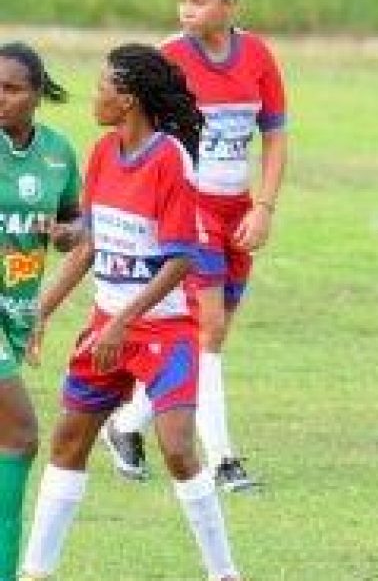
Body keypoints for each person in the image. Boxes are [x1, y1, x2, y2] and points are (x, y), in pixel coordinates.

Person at [19, 44, 241, 581]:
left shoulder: (170, 160)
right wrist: (43, 307)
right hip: (107, 326)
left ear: (129, 99)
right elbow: (91, 241)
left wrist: (124, 321)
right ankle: (34, 572)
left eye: (102, 86)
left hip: (163, 328)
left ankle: (224, 573)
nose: (94, 95)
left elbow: (183, 256)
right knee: (69, 440)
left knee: (178, 449)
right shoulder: (101, 153)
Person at [104, 0, 288, 493]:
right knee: (206, 328)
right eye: (180, 1)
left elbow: (275, 137)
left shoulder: (257, 56)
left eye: (197, 1)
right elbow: (131, 134)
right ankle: (225, 462)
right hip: (191, 209)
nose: (185, 11)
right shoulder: (166, 60)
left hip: (236, 210)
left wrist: (263, 207)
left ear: (229, 5)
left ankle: (127, 423)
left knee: (214, 335)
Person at [0, 43, 81, 580]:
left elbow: (79, 228)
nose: (0, 99)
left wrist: (71, 232)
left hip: (16, 313)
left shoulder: (58, 152)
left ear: (36, 95)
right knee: (21, 435)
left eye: (12, 89)